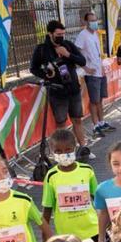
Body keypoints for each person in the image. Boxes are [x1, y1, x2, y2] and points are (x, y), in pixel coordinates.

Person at [31, 21, 89, 155]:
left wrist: (67, 54)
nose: (61, 37)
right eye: (58, 34)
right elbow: (33, 68)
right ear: (50, 34)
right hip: (57, 92)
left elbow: (82, 61)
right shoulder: (41, 49)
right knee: (61, 123)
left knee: (77, 119)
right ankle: (64, 152)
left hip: (73, 89)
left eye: (63, 34)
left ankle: (83, 147)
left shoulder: (68, 45)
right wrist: (46, 74)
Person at [76, 10, 114, 136]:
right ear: (86, 22)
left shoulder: (95, 34)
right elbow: (76, 52)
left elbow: (97, 53)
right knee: (94, 100)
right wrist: (85, 68)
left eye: (95, 20)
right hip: (91, 74)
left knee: (100, 99)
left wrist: (102, 67)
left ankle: (102, 122)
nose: (94, 22)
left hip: (99, 72)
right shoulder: (83, 35)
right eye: (91, 20)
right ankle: (95, 125)